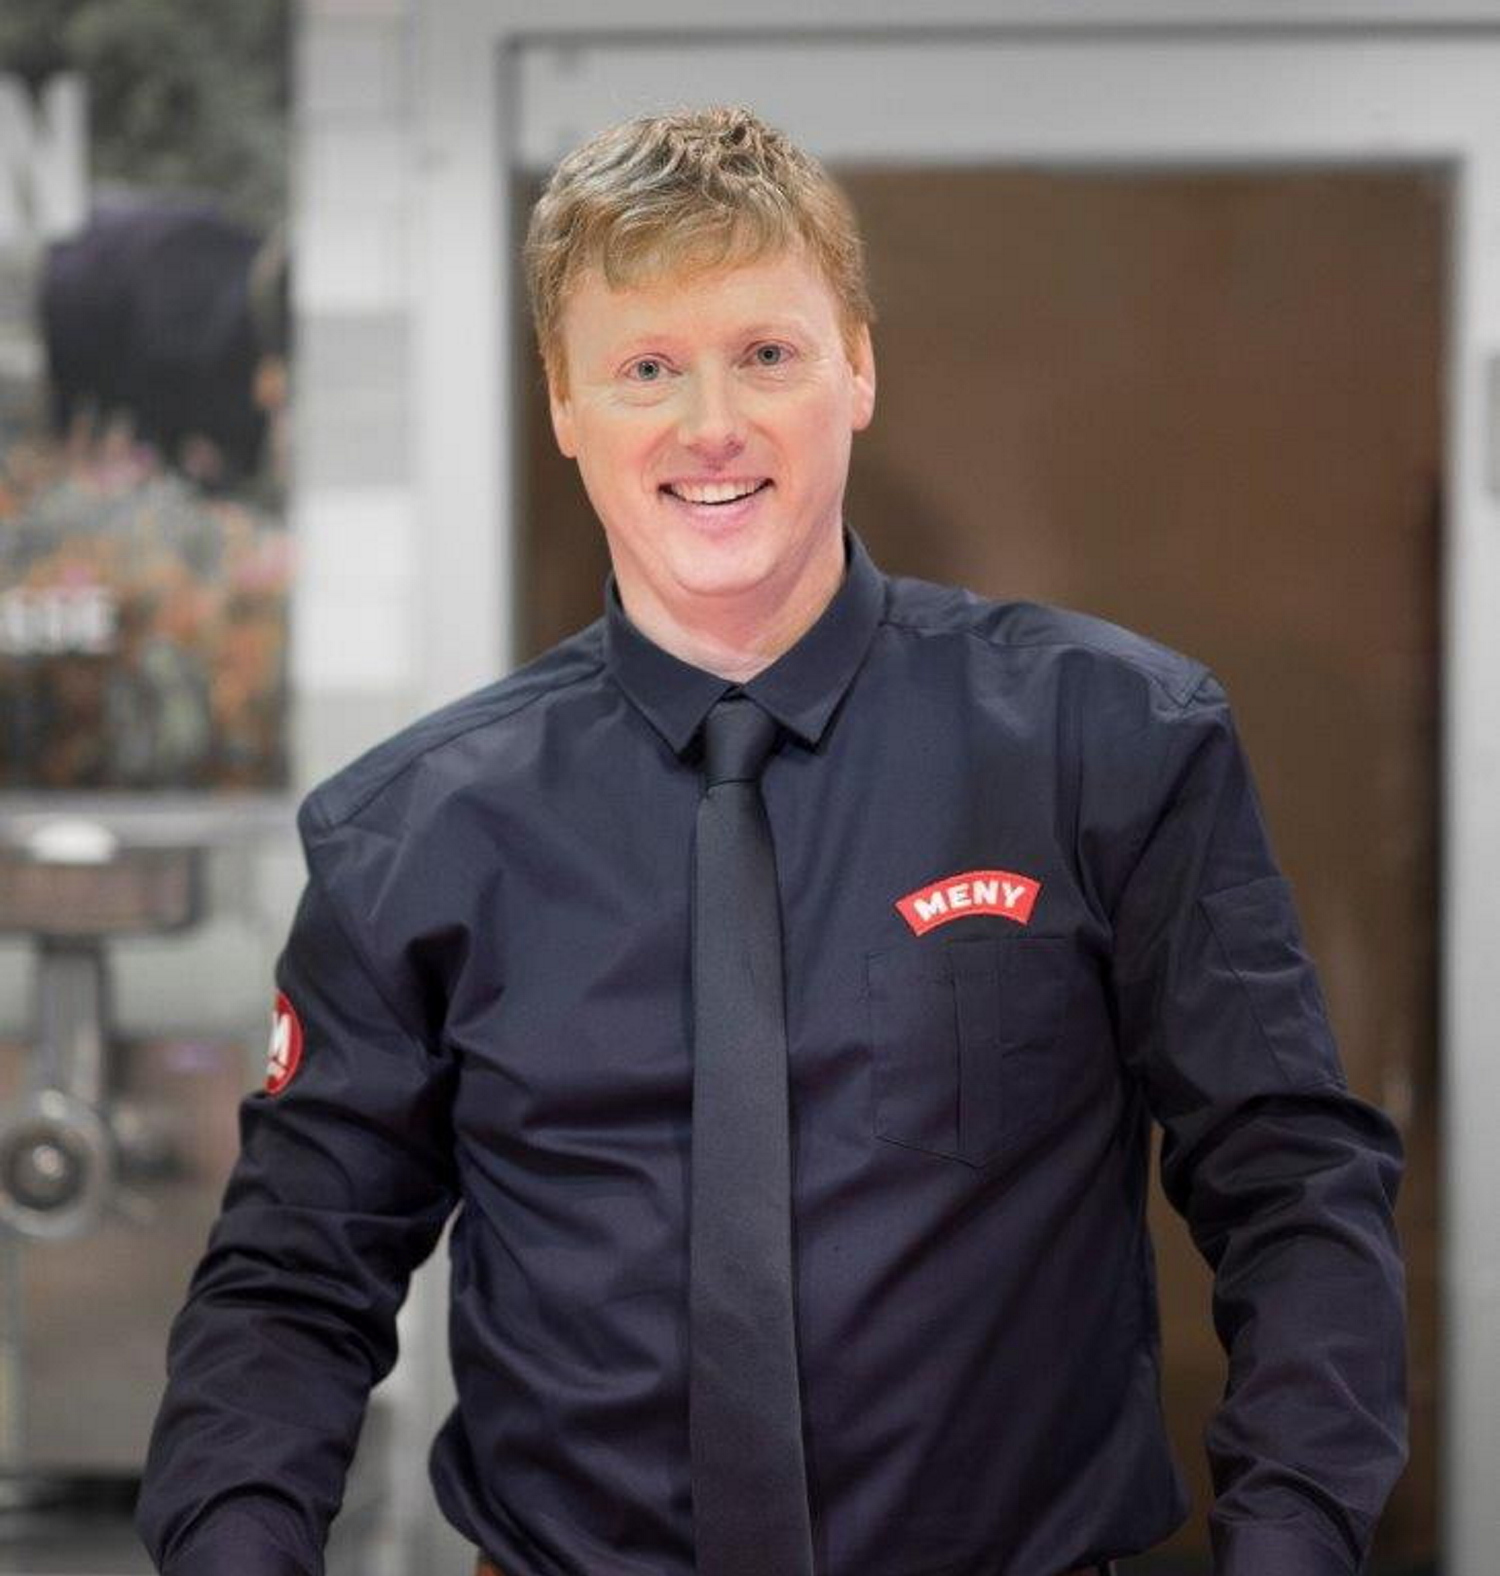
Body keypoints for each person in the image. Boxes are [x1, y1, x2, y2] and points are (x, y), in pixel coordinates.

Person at [134, 105, 1408, 1576]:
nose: (711, 426)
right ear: (562, 401)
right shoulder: (412, 834)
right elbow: (291, 1290)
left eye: (767, 353)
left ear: (858, 367)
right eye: (646, 368)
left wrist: (1291, 1539)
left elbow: (1294, 1184)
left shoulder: (1111, 743)